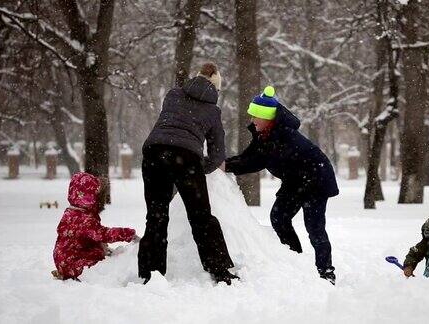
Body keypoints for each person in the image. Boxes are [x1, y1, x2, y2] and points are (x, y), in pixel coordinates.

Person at [223, 86, 338, 284]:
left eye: (255, 117)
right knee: (279, 217)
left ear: (267, 118)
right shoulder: (264, 134)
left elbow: (256, 162)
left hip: (316, 180)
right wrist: (224, 162)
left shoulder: (283, 135)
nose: (252, 120)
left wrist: (226, 166)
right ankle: (294, 259)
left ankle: (326, 272)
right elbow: (248, 156)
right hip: (295, 180)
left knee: (315, 228)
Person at [138, 63, 238, 285]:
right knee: (201, 216)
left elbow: (171, 123)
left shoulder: (173, 95)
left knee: (156, 215)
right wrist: (198, 170)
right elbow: (217, 153)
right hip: (187, 157)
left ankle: (150, 274)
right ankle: (220, 270)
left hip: (154, 151)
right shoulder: (213, 111)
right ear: (216, 89)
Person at [52, 172, 136, 280]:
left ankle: (65, 271)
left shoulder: (71, 213)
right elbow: (104, 234)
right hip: (75, 264)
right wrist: (127, 234)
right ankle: (75, 274)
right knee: (101, 255)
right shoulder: (83, 219)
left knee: (94, 244)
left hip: (62, 260)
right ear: (90, 197)